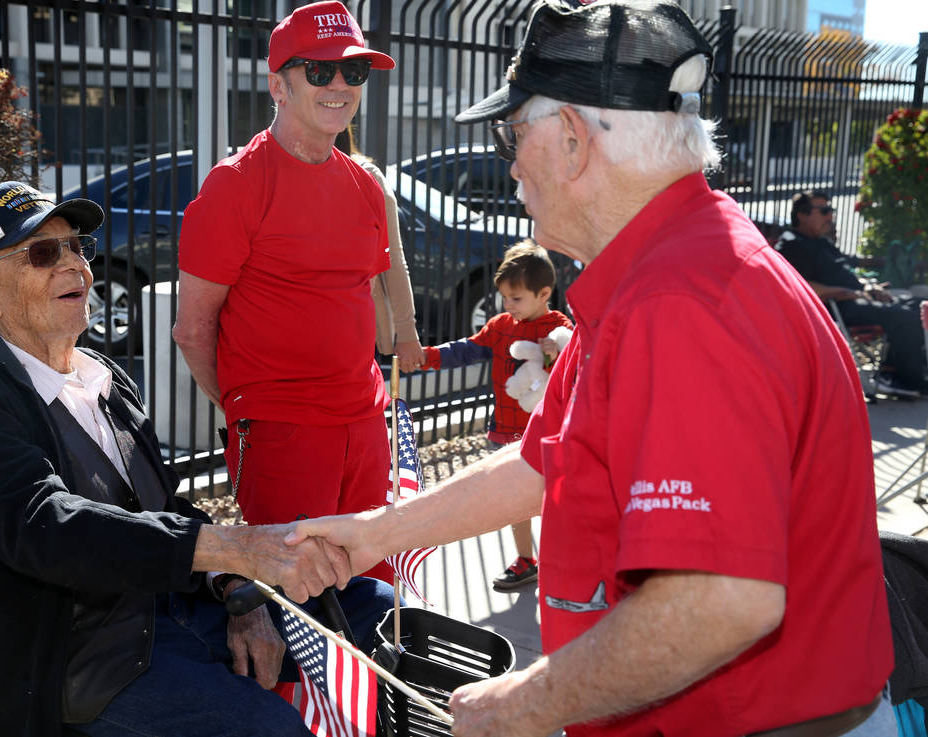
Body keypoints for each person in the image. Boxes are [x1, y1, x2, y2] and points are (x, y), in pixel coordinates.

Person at [289, 2, 895, 735]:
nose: (509, 163)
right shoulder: (662, 269)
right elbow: (541, 465)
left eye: (513, 135)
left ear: (573, 140)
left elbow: (722, 597)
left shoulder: (682, 300)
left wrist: (523, 704)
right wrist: (374, 534)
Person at [0, 181, 393, 737]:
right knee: (269, 729)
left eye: (78, 246)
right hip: (75, 660)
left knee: (374, 611)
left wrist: (235, 589)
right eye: (44, 253)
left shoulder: (103, 377)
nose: (75, 265)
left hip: (170, 613)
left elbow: (163, 505)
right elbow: (45, 527)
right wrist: (235, 547)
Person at [173, 0, 397, 582]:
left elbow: (358, 298)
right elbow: (193, 328)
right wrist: (248, 413)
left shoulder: (364, 188)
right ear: (278, 84)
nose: (339, 85)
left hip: (366, 425)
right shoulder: (236, 186)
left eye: (354, 71)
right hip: (284, 433)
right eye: (319, 71)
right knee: (294, 612)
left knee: (372, 600)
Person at [414, 240, 572, 591]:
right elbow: (468, 349)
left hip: (545, 432)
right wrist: (428, 356)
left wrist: (554, 352)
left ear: (544, 292)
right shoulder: (501, 325)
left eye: (516, 298)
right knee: (515, 503)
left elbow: (573, 368)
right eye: (504, 298)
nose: (508, 306)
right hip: (505, 430)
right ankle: (526, 560)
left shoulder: (559, 327)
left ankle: (560, 559)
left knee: (551, 499)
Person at [776, 189, 928, 394]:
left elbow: (847, 271)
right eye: (824, 210)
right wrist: (846, 291)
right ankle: (902, 378)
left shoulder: (822, 242)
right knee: (903, 316)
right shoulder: (791, 243)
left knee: (917, 306)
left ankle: (895, 370)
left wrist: (869, 288)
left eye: (831, 210)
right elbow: (795, 285)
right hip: (837, 307)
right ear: (801, 215)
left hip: (858, 299)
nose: (830, 216)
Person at [334, 124, 425, 372]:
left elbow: (392, 256)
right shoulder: (285, 173)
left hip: (354, 324)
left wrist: (406, 332)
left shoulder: (366, 176)